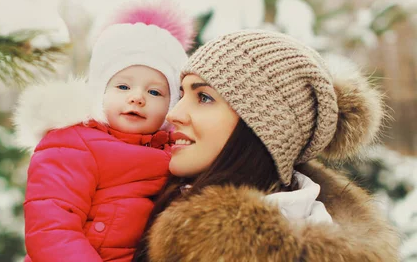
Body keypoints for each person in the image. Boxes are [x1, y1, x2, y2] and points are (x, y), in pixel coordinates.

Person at [133, 30, 401, 261]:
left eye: (204, 97)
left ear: (267, 125)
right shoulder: (148, 194)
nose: (173, 114)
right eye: (182, 94)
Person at [13, 0, 194, 262]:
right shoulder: (72, 143)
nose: (137, 98)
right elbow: (51, 228)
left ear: (171, 105)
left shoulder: (175, 157)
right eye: (123, 87)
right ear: (100, 92)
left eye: (154, 92)